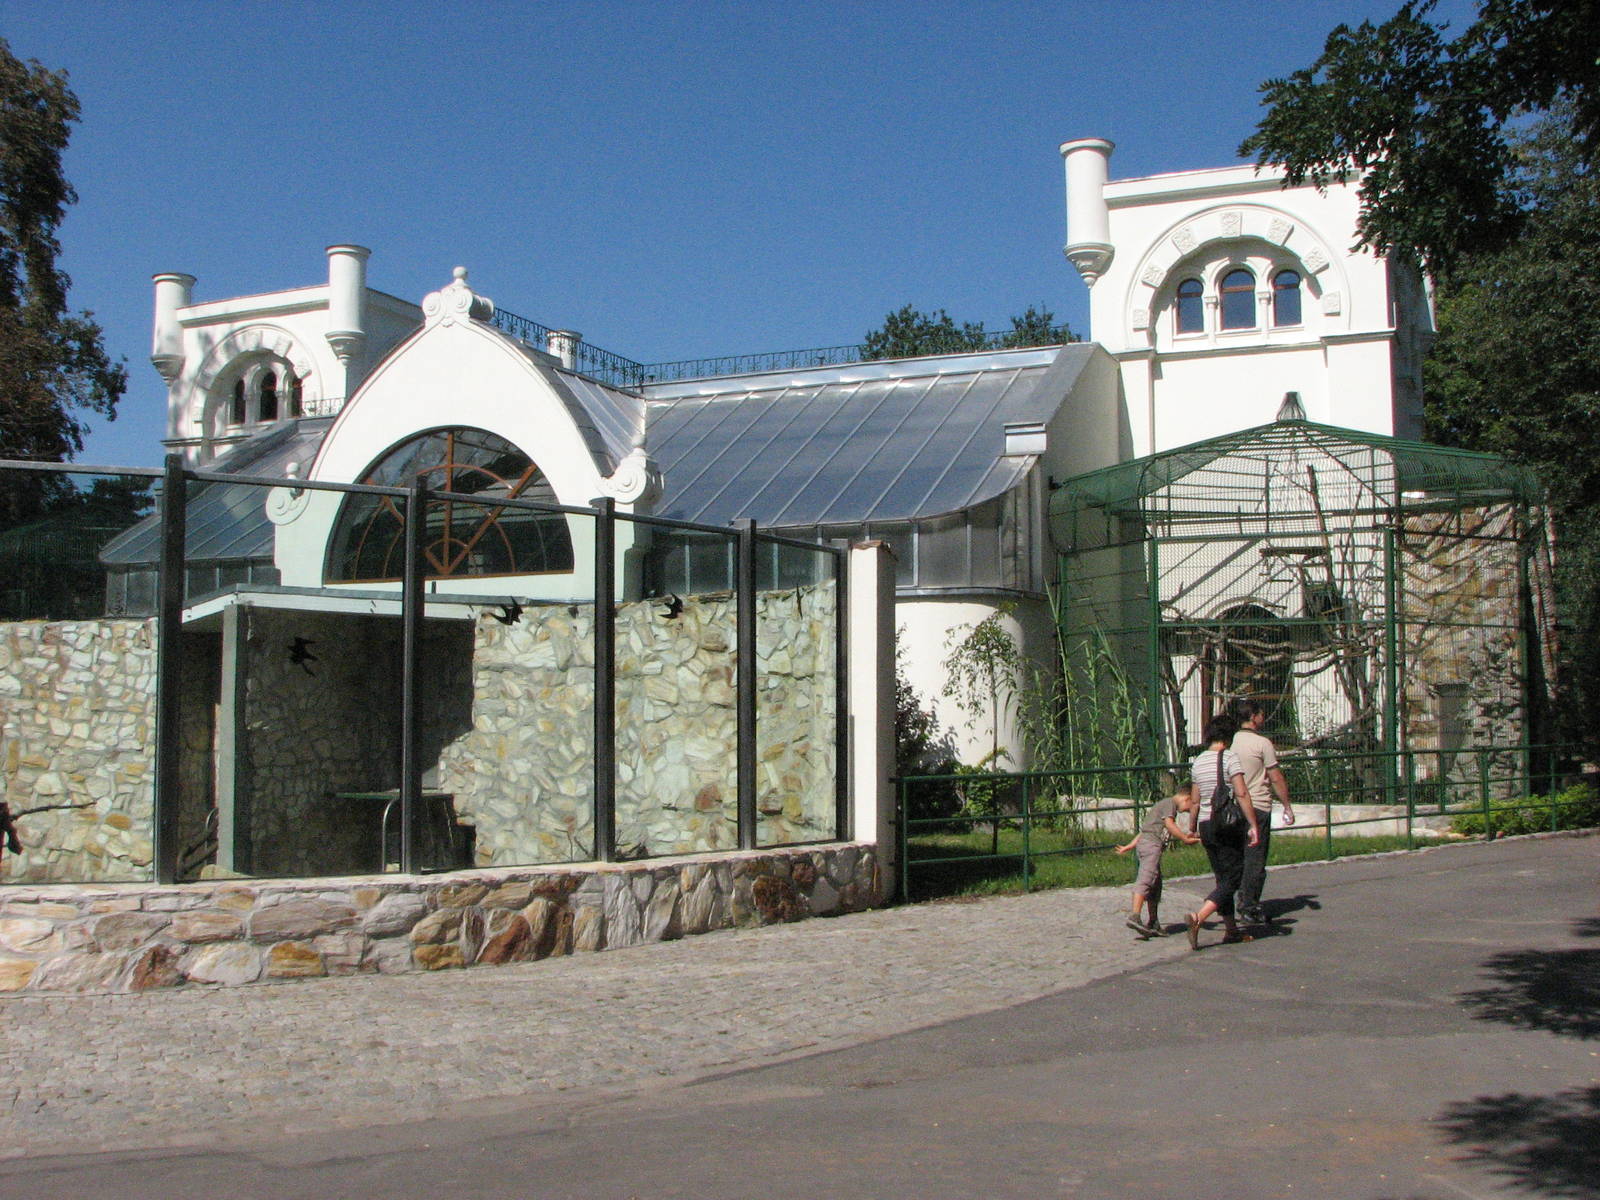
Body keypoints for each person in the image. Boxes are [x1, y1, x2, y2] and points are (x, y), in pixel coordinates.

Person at [1184, 713, 1261, 951]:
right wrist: (1253, 824)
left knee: (1221, 876)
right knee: (1235, 875)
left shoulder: (1198, 761)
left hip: (1206, 825)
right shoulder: (1229, 758)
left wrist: (1192, 826)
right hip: (1226, 824)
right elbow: (1241, 793)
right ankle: (1199, 917)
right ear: (1229, 736)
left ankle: (1231, 930)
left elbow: (1195, 800)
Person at [1230, 697, 1296, 925]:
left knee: (1237, 857)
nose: (1263, 718)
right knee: (1255, 859)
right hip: (1257, 804)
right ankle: (1249, 905)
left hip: (1234, 806)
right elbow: (1275, 777)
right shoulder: (1262, 744)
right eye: (1260, 714)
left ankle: (1231, 902)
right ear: (1253, 717)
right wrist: (1287, 805)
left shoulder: (1231, 741)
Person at [1115, 788, 1200, 938]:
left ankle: (1153, 922)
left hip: (1147, 844)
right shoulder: (1169, 804)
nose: (1188, 811)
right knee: (1146, 879)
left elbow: (1144, 832)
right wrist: (1184, 838)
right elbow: (1170, 824)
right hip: (1151, 846)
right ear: (1186, 798)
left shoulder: (1164, 806)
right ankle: (1135, 915)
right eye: (1190, 806)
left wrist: (1129, 846)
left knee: (1155, 884)